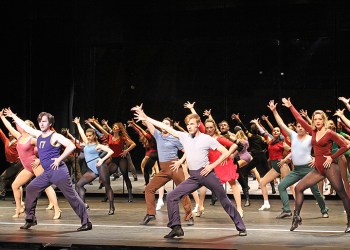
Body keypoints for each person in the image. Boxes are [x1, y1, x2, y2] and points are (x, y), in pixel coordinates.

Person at [132, 104, 247, 238]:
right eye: (188, 124)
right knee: (171, 197)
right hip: (194, 176)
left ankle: (241, 226)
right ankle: (176, 227)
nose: (189, 126)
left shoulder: (206, 138)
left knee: (224, 199)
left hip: (207, 174)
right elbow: (165, 127)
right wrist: (145, 117)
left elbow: (225, 152)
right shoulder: (184, 137)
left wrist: (211, 166)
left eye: (192, 124)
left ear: (198, 124)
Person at [4, 108, 92, 231]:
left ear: (50, 124)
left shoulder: (55, 136)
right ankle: (30, 219)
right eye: (40, 121)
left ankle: (86, 222)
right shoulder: (39, 135)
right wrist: (13, 115)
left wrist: (59, 159)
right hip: (47, 173)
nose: (41, 123)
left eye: (44, 121)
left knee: (71, 196)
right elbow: (25, 127)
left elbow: (71, 146)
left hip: (58, 172)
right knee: (31, 188)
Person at [280, 98, 350, 233]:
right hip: (318, 168)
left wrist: (332, 157)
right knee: (299, 188)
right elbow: (300, 119)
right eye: (315, 119)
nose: (317, 121)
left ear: (323, 120)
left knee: (342, 194)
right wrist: (290, 106)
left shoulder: (329, 133)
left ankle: (349, 221)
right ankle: (296, 217)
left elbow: (345, 145)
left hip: (329, 167)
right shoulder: (312, 131)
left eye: (320, 119)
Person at [267, 100, 328, 219]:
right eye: (298, 126)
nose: (300, 128)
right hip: (296, 170)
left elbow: (321, 149)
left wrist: (315, 159)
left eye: (302, 126)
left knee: (316, 192)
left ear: (306, 127)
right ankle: (286, 210)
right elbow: (281, 124)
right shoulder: (293, 135)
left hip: (308, 169)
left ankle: (324, 209)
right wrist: (274, 111)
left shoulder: (311, 138)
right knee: (281, 186)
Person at [0, 110, 62, 219]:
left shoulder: (32, 139)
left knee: (46, 186)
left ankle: (57, 209)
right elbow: (9, 126)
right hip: (27, 168)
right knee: (15, 185)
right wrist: (2, 117)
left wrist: (39, 160)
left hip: (36, 165)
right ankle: (19, 209)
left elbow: (46, 148)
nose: (22, 126)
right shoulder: (18, 136)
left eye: (26, 125)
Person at [139, 117, 194, 226]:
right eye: (163, 123)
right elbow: (149, 125)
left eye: (167, 124)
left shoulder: (175, 138)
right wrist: (142, 116)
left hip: (174, 168)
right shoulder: (158, 135)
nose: (164, 125)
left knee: (182, 191)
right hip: (164, 170)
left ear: (170, 127)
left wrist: (180, 162)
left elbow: (188, 150)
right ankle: (150, 214)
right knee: (149, 189)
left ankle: (189, 215)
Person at [73, 117, 115, 215]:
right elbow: (82, 133)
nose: (88, 137)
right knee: (79, 185)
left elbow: (111, 151)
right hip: (91, 169)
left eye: (90, 136)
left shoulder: (98, 146)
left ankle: (111, 207)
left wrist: (102, 160)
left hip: (100, 166)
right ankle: (83, 206)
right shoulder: (87, 143)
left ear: (94, 136)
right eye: (87, 136)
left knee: (107, 186)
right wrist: (78, 124)